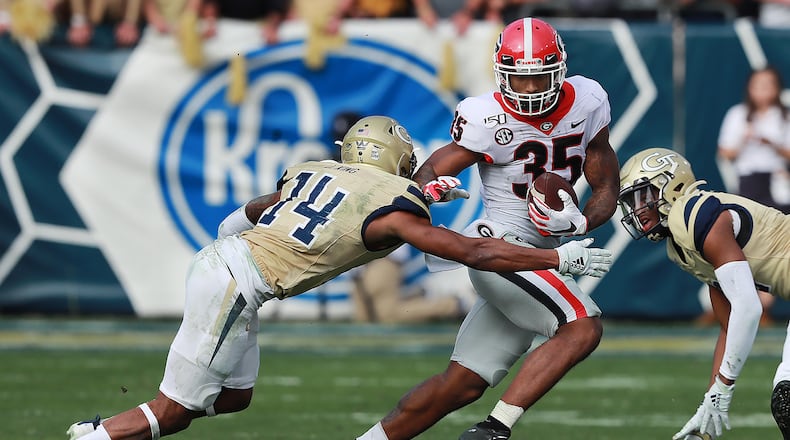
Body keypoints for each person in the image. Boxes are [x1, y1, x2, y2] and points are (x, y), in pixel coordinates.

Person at [64, 115, 612, 440]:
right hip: (236, 283)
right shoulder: (396, 206)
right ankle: (95, 437)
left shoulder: (314, 171)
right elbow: (471, 250)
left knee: (233, 397)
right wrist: (558, 260)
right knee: (176, 411)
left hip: (225, 265)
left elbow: (258, 208)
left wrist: (223, 241)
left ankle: (109, 428)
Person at [357, 17, 619, 440]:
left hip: (538, 259)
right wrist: (429, 190)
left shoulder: (587, 100)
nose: (529, 90)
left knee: (461, 384)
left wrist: (582, 220)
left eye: (539, 78)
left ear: (560, 70)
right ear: (501, 74)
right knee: (582, 324)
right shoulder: (484, 117)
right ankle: (493, 430)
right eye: (520, 79)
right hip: (500, 249)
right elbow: (429, 171)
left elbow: (606, 184)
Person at [616, 147, 790, 439]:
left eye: (643, 196)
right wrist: (710, 406)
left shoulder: (693, 214)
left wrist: (724, 387)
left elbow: (749, 308)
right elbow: (730, 323)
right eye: (632, 201)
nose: (638, 209)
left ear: (672, 185)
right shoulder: (680, 246)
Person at [718, 66, 790, 213]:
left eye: (768, 84)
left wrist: (771, 144)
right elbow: (724, 153)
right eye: (757, 84)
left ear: (777, 87)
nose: (762, 89)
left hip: (777, 179)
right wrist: (743, 140)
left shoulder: (785, 116)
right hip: (748, 180)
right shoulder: (737, 114)